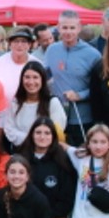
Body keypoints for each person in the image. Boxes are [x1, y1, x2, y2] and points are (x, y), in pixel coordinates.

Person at [45, 10, 103, 144]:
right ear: (58, 28)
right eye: (64, 27)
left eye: (72, 28)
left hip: (82, 118)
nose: (68, 32)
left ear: (79, 28)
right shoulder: (52, 50)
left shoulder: (92, 54)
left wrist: (80, 95)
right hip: (57, 116)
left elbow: (100, 88)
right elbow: (45, 75)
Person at [19, 116, 76, 218]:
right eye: (38, 132)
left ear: (53, 136)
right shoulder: (22, 159)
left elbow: (67, 197)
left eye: (47, 133)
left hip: (54, 215)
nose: (42, 137)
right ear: (32, 135)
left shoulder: (63, 160)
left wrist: (50, 215)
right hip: (26, 214)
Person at [3, 59, 66, 149]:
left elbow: (57, 131)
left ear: (42, 80)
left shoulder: (52, 103)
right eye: (27, 77)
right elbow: (9, 129)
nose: (31, 82)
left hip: (46, 152)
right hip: (21, 151)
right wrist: (29, 140)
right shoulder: (15, 103)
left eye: (35, 77)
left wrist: (37, 141)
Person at [0, 28, 34, 98]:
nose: (19, 45)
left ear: (29, 45)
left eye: (23, 41)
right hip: (2, 108)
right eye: (16, 41)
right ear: (10, 44)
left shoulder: (37, 64)